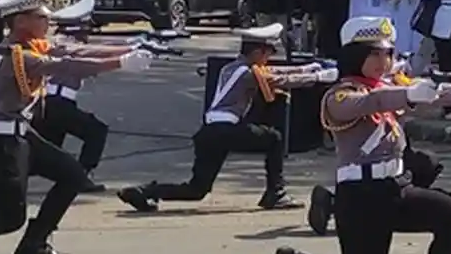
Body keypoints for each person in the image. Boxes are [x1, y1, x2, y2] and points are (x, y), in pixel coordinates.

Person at [0, 0, 150, 254]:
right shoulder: (18, 55)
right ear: (21, 21)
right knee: (5, 219)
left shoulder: (29, 46)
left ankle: (35, 243)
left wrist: (128, 48)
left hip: (19, 135)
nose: (49, 21)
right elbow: (67, 65)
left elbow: (75, 52)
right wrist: (121, 64)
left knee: (72, 175)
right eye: (42, 16)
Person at [270, 16, 451, 254]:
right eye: (374, 53)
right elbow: (367, 103)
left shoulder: (387, 86)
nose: (384, 60)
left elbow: (434, 94)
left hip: (395, 189)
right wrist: (407, 94)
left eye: (388, 53)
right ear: (356, 57)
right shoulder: (340, 94)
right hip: (360, 198)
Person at [119, 23, 333, 214]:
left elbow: (272, 71)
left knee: (197, 189)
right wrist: (317, 77)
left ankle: (145, 191)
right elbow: (278, 79)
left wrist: (305, 68)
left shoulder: (231, 68)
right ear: (258, 52)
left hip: (208, 132)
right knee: (274, 138)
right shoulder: (249, 74)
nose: (268, 58)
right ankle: (275, 193)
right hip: (225, 130)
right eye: (267, 52)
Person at [31, 0, 117, 194]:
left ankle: (2, 172)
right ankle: (82, 176)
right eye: (87, 29)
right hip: (59, 104)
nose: (89, 34)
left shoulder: (56, 43)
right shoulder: (72, 48)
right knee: (96, 131)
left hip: (47, 103)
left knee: (49, 149)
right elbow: (95, 60)